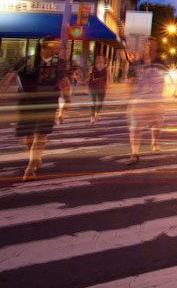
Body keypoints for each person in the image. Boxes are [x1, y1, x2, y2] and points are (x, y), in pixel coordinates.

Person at [0, 37, 71, 181]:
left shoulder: (60, 64)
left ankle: (30, 167)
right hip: (27, 102)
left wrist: (67, 102)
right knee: (28, 135)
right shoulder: (26, 61)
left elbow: (64, 83)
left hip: (48, 103)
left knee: (41, 135)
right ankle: (35, 156)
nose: (59, 47)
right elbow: (10, 77)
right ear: (45, 46)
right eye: (56, 44)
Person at [127, 40, 167, 165]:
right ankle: (134, 153)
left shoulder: (160, 62)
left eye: (152, 45)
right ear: (144, 48)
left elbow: (166, 77)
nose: (150, 47)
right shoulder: (136, 63)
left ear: (156, 47)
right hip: (140, 99)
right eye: (147, 45)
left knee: (157, 123)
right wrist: (129, 96)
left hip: (156, 99)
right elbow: (131, 80)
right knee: (136, 126)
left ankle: (155, 141)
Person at [87, 55, 109, 124]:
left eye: (102, 58)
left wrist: (107, 86)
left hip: (101, 87)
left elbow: (108, 78)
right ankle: (92, 117)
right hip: (92, 87)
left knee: (100, 103)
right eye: (99, 59)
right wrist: (89, 73)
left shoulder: (106, 68)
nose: (100, 60)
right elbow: (88, 77)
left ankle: (96, 113)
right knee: (92, 103)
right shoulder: (92, 68)